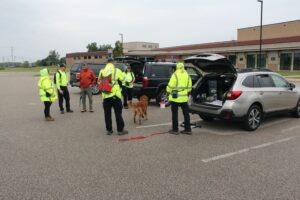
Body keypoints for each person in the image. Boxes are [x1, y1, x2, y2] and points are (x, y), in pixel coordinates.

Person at [98, 62, 128, 135]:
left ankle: (109, 130)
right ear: (113, 64)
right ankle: (120, 130)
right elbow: (124, 80)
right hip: (115, 96)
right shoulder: (116, 70)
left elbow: (99, 82)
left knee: (107, 114)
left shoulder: (102, 71)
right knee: (118, 114)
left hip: (105, 97)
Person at [166, 61, 192, 135]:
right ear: (183, 67)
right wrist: (185, 91)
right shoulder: (187, 75)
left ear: (177, 67)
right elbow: (189, 88)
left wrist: (168, 90)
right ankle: (188, 129)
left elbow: (170, 86)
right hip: (184, 98)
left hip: (175, 98)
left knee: (175, 113)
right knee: (186, 113)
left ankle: (175, 130)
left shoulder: (175, 75)